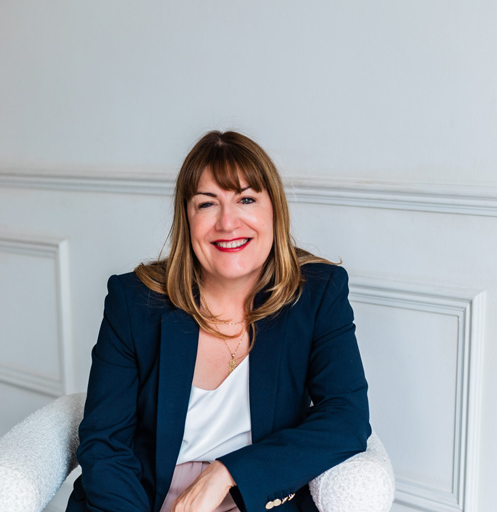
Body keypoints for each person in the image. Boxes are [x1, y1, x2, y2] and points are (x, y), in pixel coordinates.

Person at [66, 131, 371, 512]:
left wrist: (227, 473)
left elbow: (345, 419)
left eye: (246, 199)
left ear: (273, 210)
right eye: (207, 204)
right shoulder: (134, 301)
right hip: (139, 501)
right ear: (187, 218)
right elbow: (105, 441)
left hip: (254, 497)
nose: (228, 223)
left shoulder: (317, 294)